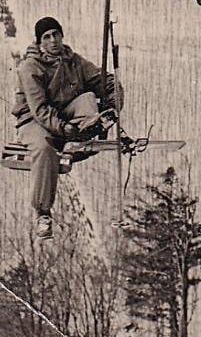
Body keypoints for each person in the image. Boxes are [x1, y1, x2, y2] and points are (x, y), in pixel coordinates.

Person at [12, 16, 122, 239]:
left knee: (90, 97)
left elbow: (104, 81)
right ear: (40, 41)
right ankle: (43, 212)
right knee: (44, 148)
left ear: (62, 35)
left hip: (65, 115)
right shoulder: (30, 68)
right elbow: (40, 110)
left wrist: (112, 100)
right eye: (47, 37)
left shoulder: (73, 61)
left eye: (56, 35)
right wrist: (65, 129)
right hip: (34, 122)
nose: (53, 41)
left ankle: (92, 129)